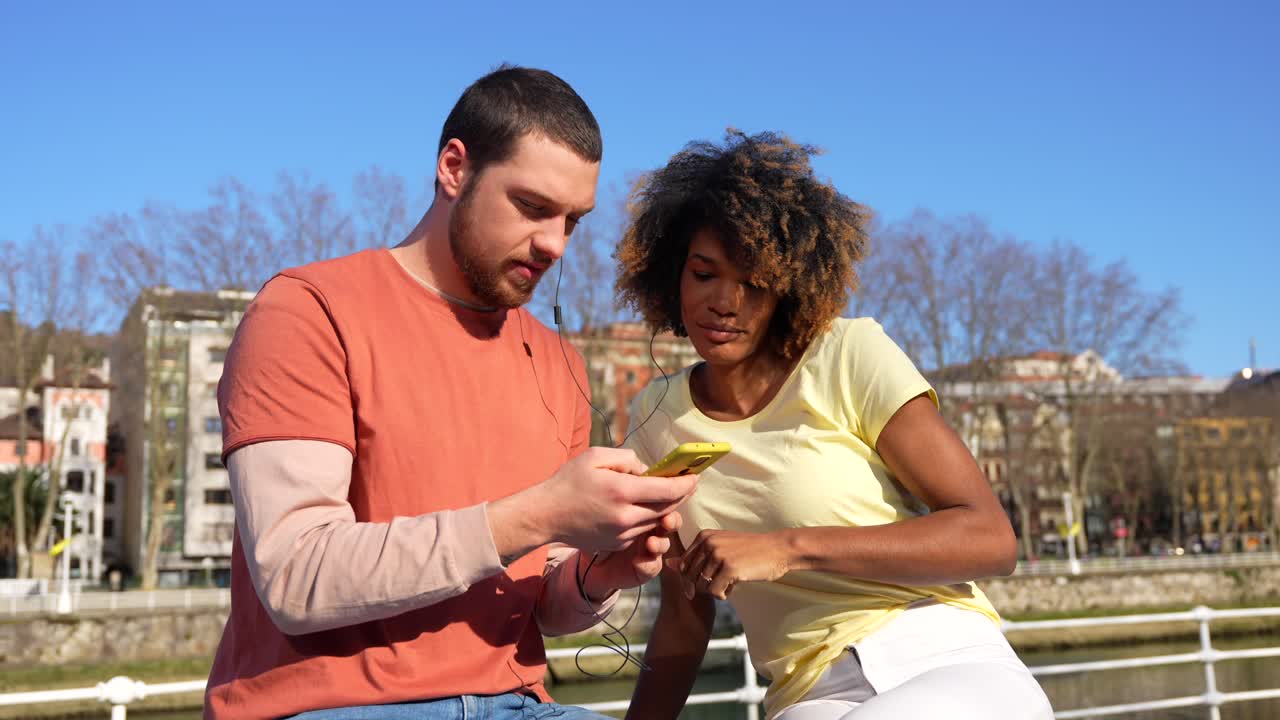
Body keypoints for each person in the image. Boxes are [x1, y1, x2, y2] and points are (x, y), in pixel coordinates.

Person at [204, 65, 696, 720]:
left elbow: (540, 605)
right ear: (454, 168)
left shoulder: (560, 364)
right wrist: (545, 510)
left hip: (518, 703)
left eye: (573, 220)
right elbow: (296, 573)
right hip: (330, 705)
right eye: (532, 207)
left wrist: (595, 573)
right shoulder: (308, 311)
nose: (555, 243)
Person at [615, 131, 1054, 719]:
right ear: (673, 274)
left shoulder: (848, 354)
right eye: (704, 273)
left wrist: (788, 549)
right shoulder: (653, 420)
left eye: (755, 282)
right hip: (807, 696)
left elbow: (991, 539)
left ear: (789, 289)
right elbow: (681, 620)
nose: (725, 302)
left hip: (941, 653)